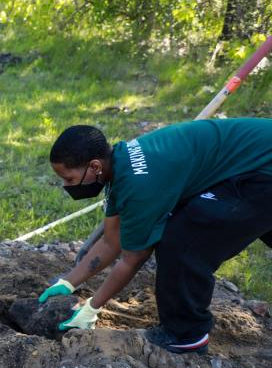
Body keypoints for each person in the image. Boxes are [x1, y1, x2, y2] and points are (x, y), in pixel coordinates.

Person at [40, 119, 272, 355]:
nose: (65, 185)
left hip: (261, 170)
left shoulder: (140, 186)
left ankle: (186, 334)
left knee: (182, 242)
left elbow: (134, 257)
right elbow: (112, 240)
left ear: (95, 166)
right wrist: (68, 282)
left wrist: (92, 306)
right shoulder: (120, 167)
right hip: (252, 162)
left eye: (69, 179)